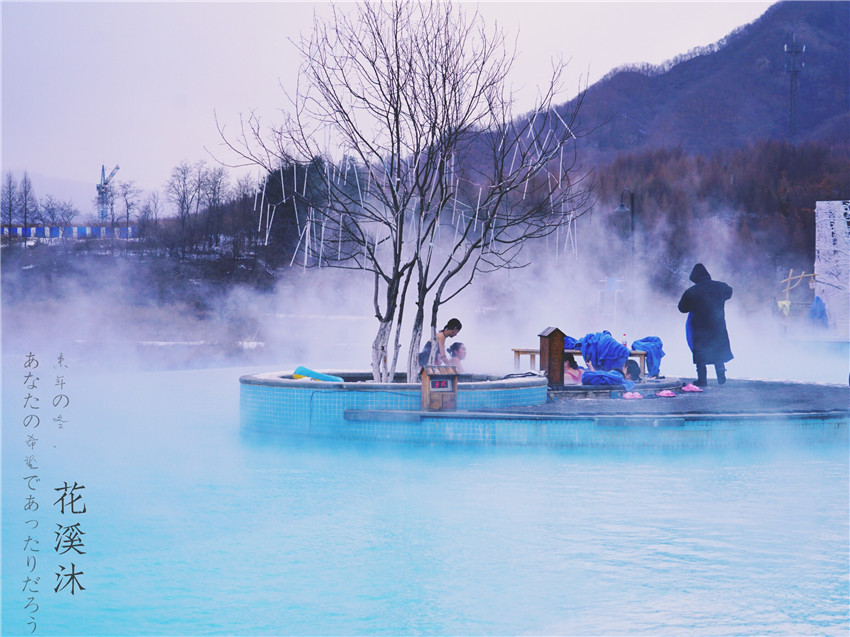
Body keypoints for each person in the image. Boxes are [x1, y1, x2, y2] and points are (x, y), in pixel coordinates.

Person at [677, 263, 733, 386]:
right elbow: (730, 292)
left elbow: (682, 308)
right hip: (718, 325)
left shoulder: (691, 292)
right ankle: (720, 370)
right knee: (717, 348)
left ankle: (702, 380)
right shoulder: (721, 287)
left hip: (700, 328)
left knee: (701, 353)